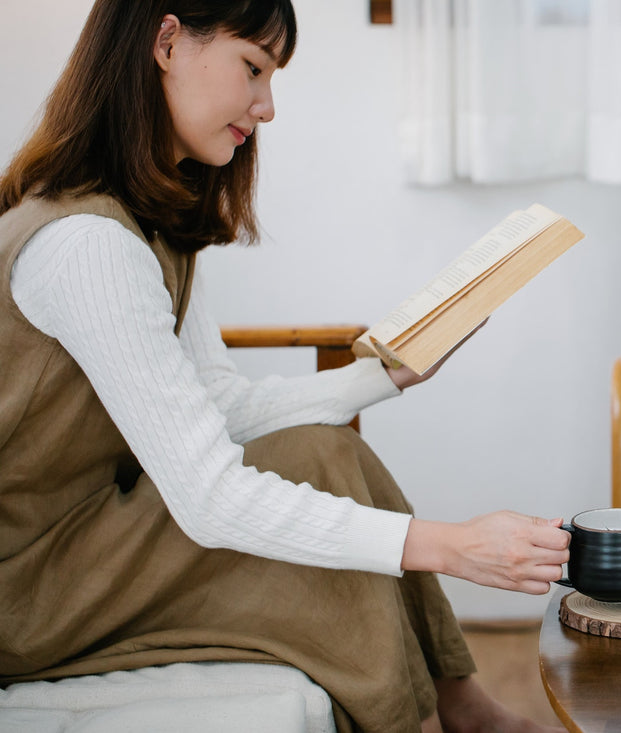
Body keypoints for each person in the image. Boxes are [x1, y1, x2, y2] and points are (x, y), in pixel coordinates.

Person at [0, 2, 570, 731]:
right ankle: (443, 715)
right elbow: (208, 494)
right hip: (33, 586)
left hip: (96, 538)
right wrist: (453, 545)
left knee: (324, 450)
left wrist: (387, 375)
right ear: (167, 42)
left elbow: (219, 407)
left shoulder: (143, 222)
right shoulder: (87, 244)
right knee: (318, 486)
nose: (266, 107)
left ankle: (460, 705)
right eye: (253, 69)